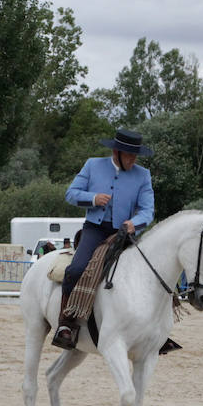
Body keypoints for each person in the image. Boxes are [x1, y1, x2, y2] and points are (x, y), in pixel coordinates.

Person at [54, 128, 155, 350]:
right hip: (95, 230)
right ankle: (67, 323)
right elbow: (71, 193)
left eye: (136, 155)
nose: (133, 159)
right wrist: (92, 198)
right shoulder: (93, 165)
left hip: (124, 232)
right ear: (117, 152)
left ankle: (158, 330)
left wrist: (134, 223)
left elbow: (148, 211)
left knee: (151, 272)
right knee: (76, 269)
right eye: (130, 154)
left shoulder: (143, 175)